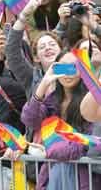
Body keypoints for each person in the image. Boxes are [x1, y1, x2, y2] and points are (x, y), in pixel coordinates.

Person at [22, 51, 100, 189]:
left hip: (82, 177)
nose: (68, 73)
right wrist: (44, 84)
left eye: (73, 67)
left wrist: (49, 151)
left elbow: (85, 144)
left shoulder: (91, 102)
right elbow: (30, 120)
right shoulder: (52, 101)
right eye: (62, 68)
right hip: (53, 174)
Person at [6, 0, 62, 100]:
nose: (47, 48)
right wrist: (23, 16)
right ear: (36, 57)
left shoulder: (71, 70)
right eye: (42, 47)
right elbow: (12, 52)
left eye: (52, 44)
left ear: (61, 50)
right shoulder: (31, 77)